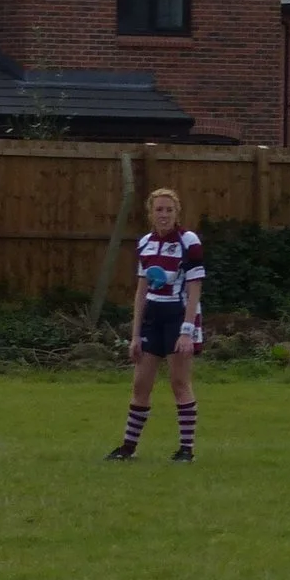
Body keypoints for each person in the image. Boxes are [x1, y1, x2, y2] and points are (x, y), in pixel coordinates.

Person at [106, 190, 204, 463]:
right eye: (159, 210)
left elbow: (195, 288)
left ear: (177, 213)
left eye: (169, 210)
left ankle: (186, 450)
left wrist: (187, 331)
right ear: (151, 213)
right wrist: (135, 335)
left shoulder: (189, 242)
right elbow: (141, 292)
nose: (164, 215)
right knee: (140, 384)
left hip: (178, 316)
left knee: (179, 382)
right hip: (152, 318)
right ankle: (128, 448)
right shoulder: (145, 243)